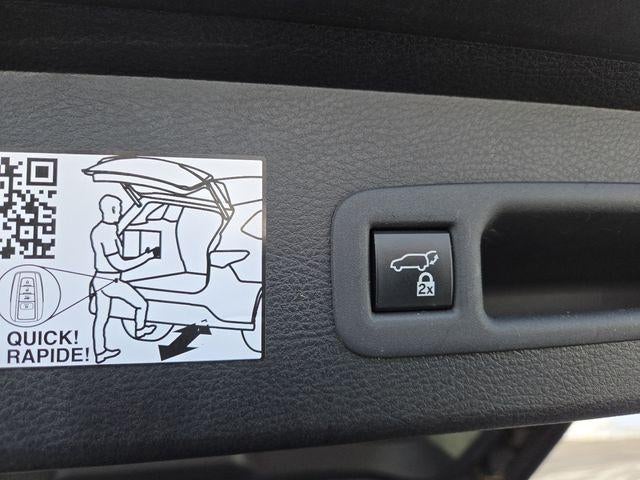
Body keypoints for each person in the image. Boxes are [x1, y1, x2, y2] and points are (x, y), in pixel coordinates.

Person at [89, 195, 158, 363]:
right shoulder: (107, 234)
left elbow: (123, 223)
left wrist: (141, 203)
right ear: (112, 209)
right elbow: (119, 264)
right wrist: (147, 256)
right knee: (141, 304)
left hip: (100, 280)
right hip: (110, 282)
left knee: (101, 319)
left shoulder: (102, 229)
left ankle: (100, 353)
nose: (120, 213)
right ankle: (139, 330)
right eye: (119, 210)